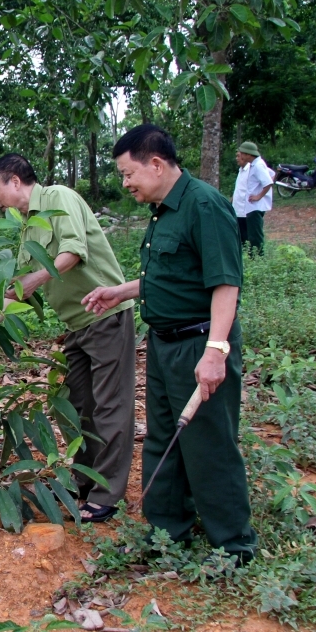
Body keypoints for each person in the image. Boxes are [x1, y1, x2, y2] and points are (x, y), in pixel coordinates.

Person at [81, 124, 257, 564]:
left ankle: (233, 547)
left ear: (156, 165)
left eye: (128, 174)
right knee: (163, 439)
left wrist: (215, 352)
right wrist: (120, 291)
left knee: (208, 442)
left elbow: (225, 284)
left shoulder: (204, 206)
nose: (126, 184)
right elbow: (171, 276)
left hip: (198, 343)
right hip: (163, 345)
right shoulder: (163, 210)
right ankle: (166, 533)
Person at [0, 154, 135, 523]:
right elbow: (19, 289)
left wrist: (36, 279)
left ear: (15, 181)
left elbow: (72, 252)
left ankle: (106, 496)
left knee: (110, 406)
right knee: (75, 406)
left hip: (105, 316)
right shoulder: (26, 229)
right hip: (76, 325)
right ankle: (83, 480)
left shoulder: (58, 198)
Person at [232, 141, 274, 255]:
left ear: (248, 154)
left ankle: (258, 258)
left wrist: (259, 196)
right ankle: (252, 257)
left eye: (242, 154)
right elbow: (271, 175)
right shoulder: (255, 165)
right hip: (251, 207)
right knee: (250, 235)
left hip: (255, 206)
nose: (240, 156)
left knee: (255, 236)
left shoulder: (258, 165)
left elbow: (268, 182)